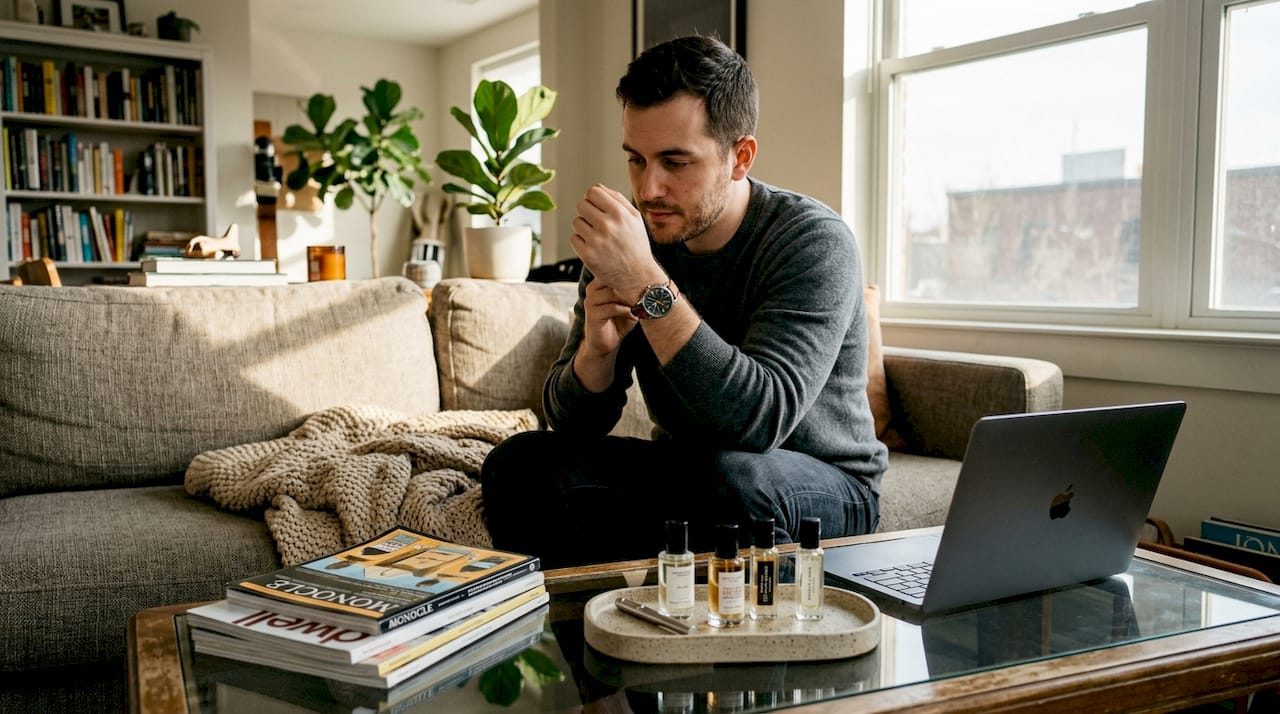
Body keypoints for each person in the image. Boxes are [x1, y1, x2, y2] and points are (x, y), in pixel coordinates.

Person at [481, 35, 887, 568]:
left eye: (675, 162)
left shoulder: (812, 240)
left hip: (820, 482)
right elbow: (573, 428)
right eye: (636, 159)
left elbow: (759, 421)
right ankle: (594, 613)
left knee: (731, 481)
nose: (649, 188)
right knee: (518, 463)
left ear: (740, 157)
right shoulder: (632, 237)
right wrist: (595, 356)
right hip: (692, 473)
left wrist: (648, 285)